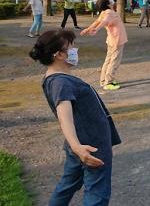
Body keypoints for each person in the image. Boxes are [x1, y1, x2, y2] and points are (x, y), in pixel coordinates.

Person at [30, 29, 121, 205]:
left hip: (79, 144)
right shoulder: (61, 83)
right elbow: (65, 116)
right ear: (59, 55)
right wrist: (77, 147)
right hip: (89, 147)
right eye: (70, 47)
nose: (74, 50)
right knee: (97, 192)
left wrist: (75, 146)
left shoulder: (57, 78)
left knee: (67, 185)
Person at [80, 0, 128, 91]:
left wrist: (89, 29)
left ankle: (103, 80)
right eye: (111, 0)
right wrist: (96, 29)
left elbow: (97, 21)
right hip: (116, 40)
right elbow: (104, 22)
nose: (113, 0)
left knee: (108, 60)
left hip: (112, 40)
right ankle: (108, 82)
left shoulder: (104, 12)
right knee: (114, 61)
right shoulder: (109, 12)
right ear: (108, 4)